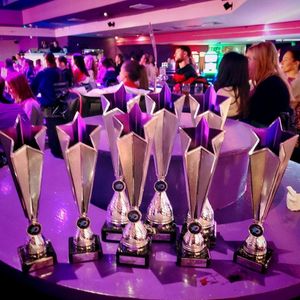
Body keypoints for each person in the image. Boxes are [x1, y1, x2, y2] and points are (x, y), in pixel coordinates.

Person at [243, 41, 292, 127]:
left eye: (248, 59)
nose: (244, 63)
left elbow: (257, 122)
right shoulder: (271, 82)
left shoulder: (270, 85)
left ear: (261, 62)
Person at [214, 52, 250, 119]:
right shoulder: (245, 89)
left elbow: (216, 117)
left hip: (225, 127)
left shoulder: (223, 91)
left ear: (224, 69)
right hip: (239, 126)